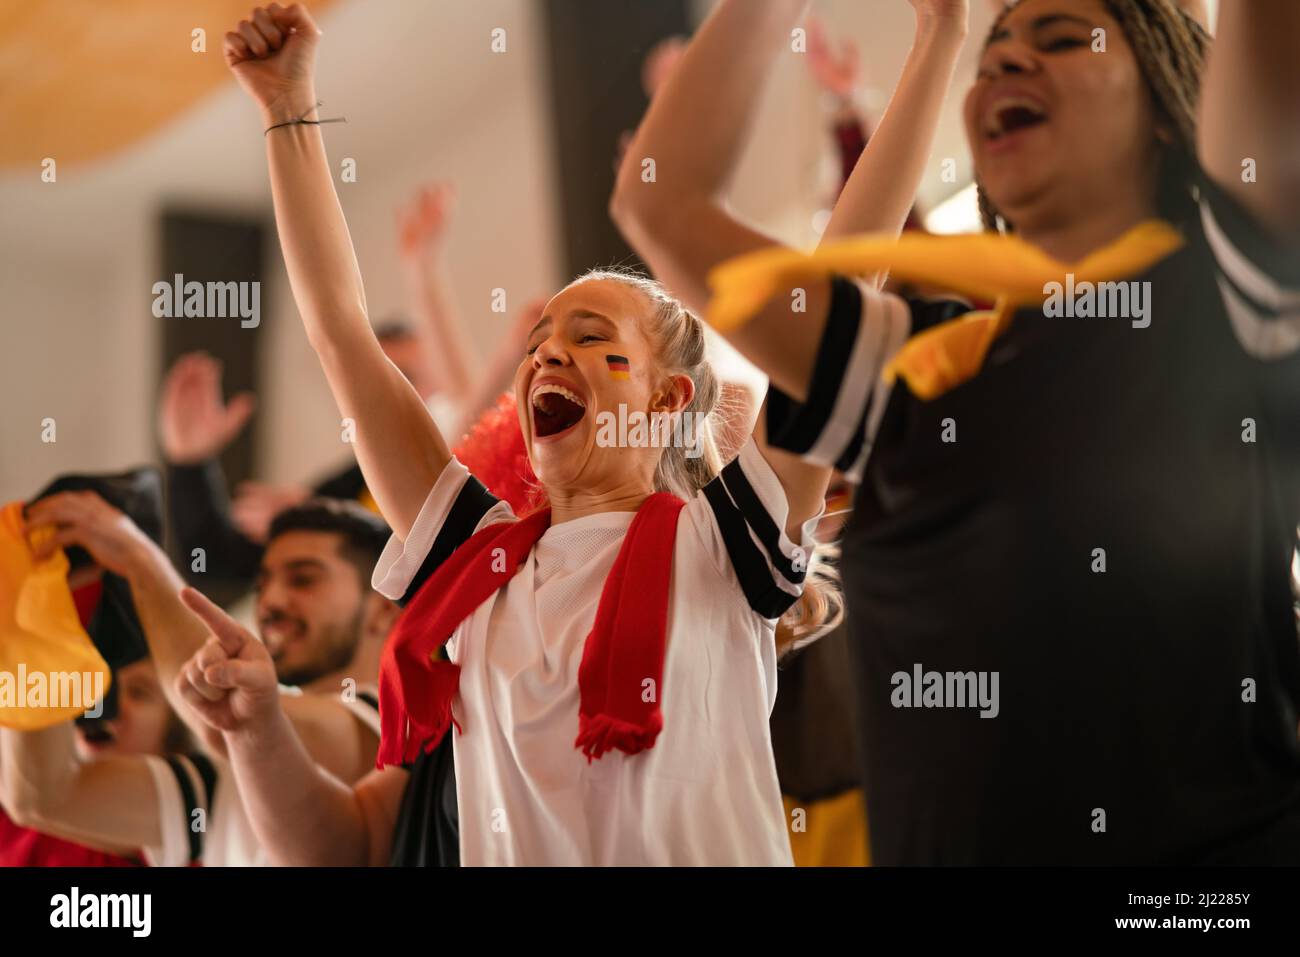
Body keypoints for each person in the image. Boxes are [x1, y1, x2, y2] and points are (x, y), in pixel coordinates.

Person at [169, 1, 842, 867]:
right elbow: (342, 331)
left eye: (594, 340)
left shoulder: (721, 546)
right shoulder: (480, 569)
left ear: (670, 396)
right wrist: (287, 109)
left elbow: (841, 295)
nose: (549, 353)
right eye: (536, 345)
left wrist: (935, 41)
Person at [639, 0, 1300, 864]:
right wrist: (941, 31)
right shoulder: (932, 364)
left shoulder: (1231, 296)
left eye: (1062, 39)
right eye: (993, 57)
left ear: (1172, 114)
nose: (1009, 64)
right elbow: (664, 202)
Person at [5, 495, 395, 865]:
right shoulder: (218, 782)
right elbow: (44, 796)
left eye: (304, 580)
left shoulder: (397, 725)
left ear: (382, 610)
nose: (271, 601)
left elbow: (233, 723)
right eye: (262, 584)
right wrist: (33, 616)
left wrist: (137, 557)